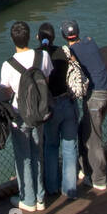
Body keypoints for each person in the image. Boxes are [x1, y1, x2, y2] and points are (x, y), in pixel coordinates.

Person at [0, 20, 52, 211]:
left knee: (23, 156)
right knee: (37, 153)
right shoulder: (43, 56)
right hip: (39, 112)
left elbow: (5, 90)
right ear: (29, 37)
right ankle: (40, 197)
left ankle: (27, 198)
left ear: (13, 40)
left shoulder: (8, 64)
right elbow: (46, 78)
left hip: (19, 114)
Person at [62, 20, 107, 191]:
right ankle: (86, 171)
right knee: (85, 131)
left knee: (93, 140)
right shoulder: (90, 42)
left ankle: (99, 179)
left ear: (64, 36)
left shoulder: (70, 52)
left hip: (94, 97)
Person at [36, 22, 79, 201]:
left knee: (51, 147)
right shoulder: (64, 51)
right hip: (67, 103)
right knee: (70, 147)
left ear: (38, 37)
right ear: (55, 37)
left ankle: (51, 187)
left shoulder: (37, 56)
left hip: (51, 106)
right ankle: (70, 189)